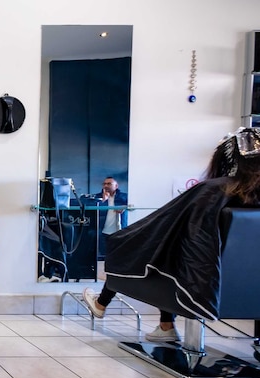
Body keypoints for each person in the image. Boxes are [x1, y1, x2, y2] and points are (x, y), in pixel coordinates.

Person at [83, 127, 260, 342]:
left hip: (197, 277)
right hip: (246, 284)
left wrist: (124, 239)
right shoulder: (243, 196)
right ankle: (162, 325)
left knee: (140, 249)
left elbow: (164, 225)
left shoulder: (213, 190)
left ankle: (144, 317)